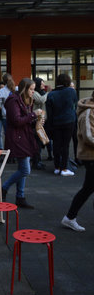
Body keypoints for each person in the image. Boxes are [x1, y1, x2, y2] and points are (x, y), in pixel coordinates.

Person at [2, 78, 43, 209]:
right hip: (17, 138)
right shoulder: (14, 100)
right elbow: (17, 121)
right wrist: (33, 115)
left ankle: (20, 196)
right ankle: (4, 188)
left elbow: (24, 121)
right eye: (31, 89)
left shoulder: (26, 100)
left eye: (34, 89)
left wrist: (37, 120)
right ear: (25, 89)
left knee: (22, 169)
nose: (33, 92)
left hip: (24, 137)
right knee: (25, 169)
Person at [61, 91, 94, 232]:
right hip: (90, 156)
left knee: (88, 188)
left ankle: (69, 217)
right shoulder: (89, 112)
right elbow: (89, 136)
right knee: (88, 188)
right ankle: (69, 217)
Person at [46, 73, 78, 176]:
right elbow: (74, 105)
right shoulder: (72, 92)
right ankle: (64, 168)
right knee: (66, 145)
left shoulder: (51, 94)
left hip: (55, 122)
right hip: (69, 121)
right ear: (68, 81)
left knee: (56, 144)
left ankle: (57, 167)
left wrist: (50, 124)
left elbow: (49, 113)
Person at [32, 77, 49, 170]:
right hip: (36, 120)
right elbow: (41, 100)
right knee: (37, 141)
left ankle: (38, 160)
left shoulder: (41, 93)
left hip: (42, 119)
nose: (44, 85)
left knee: (41, 141)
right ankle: (36, 161)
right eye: (42, 84)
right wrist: (48, 92)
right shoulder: (35, 93)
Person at [0, 73, 16, 150]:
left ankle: (4, 150)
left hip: (5, 115)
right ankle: (13, 150)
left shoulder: (2, 91)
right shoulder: (16, 89)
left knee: (5, 134)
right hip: (15, 115)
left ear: (3, 81)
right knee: (13, 134)